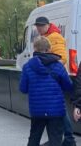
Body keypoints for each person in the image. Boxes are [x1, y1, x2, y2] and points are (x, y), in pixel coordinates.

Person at [20, 36, 73, 146]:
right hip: (56, 110)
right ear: (49, 49)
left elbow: (23, 89)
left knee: (34, 138)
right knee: (55, 141)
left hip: (37, 110)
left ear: (35, 49)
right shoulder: (58, 66)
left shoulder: (27, 67)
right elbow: (68, 86)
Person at [34, 16, 75, 146]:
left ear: (47, 25)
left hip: (54, 79)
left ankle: (68, 138)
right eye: (37, 26)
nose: (39, 28)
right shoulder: (48, 36)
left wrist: (47, 68)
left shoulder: (54, 37)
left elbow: (62, 58)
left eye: (41, 26)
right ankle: (64, 138)